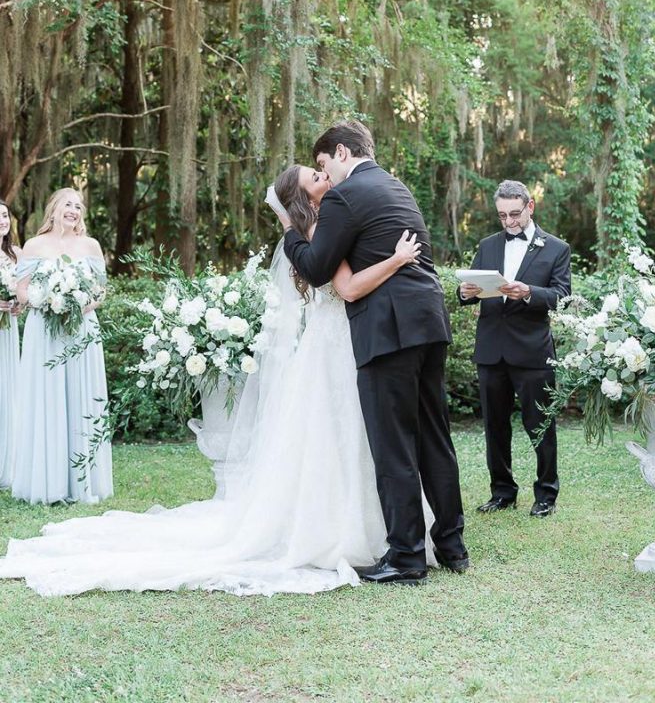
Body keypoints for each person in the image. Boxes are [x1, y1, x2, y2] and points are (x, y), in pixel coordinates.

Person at [0, 167, 422, 597]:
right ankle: (341, 529)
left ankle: (377, 527)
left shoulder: (321, 220)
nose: (324, 173)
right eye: (315, 172)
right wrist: (396, 260)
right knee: (336, 435)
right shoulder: (317, 226)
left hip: (339, 344)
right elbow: (346, 287)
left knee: (348, 434)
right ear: (302, 193)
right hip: (334, 345)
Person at [282, 120, 468, 585]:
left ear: (341, 153)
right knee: (434, 439)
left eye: (324, 164)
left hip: (388, 331)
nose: (326, 174)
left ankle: (406, 556)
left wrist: (290, 231)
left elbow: (318, 268)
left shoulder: (347, 196)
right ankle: (452, 546)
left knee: (393, 445)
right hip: (428, 322)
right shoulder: (396, 187)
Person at [459, 179, 571, 517]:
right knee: (495, 426)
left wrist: (530, 293)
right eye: (502, 216)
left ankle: (546, 494)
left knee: (540, 425)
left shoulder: (556, 248)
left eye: (514, 214)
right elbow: (471, 290)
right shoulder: (488, 244)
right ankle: (502, 491)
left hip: (533, 352)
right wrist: (465, 293)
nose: (508, 222)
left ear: (530, 206)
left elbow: (563, 296)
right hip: (491, 350)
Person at [11, 188, 113, 505]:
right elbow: (21, 290)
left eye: (79, 206)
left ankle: (83, 481)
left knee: (81, 396)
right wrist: (47, 302)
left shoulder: (90, 245)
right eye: (68, 204)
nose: (74, 210)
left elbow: (100, 292)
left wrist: (79, 306)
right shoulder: (34, 246)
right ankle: (49, 481)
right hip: (45, 330)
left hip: (82, 328)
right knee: (47, 397)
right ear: (54, 208)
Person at [0, 200, 22, 488]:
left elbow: (26, 291)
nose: (2, 221)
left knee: (8, 391)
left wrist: (19, 306)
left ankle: (8, 461)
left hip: (8, 331)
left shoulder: (17, 254)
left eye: (5, 216)